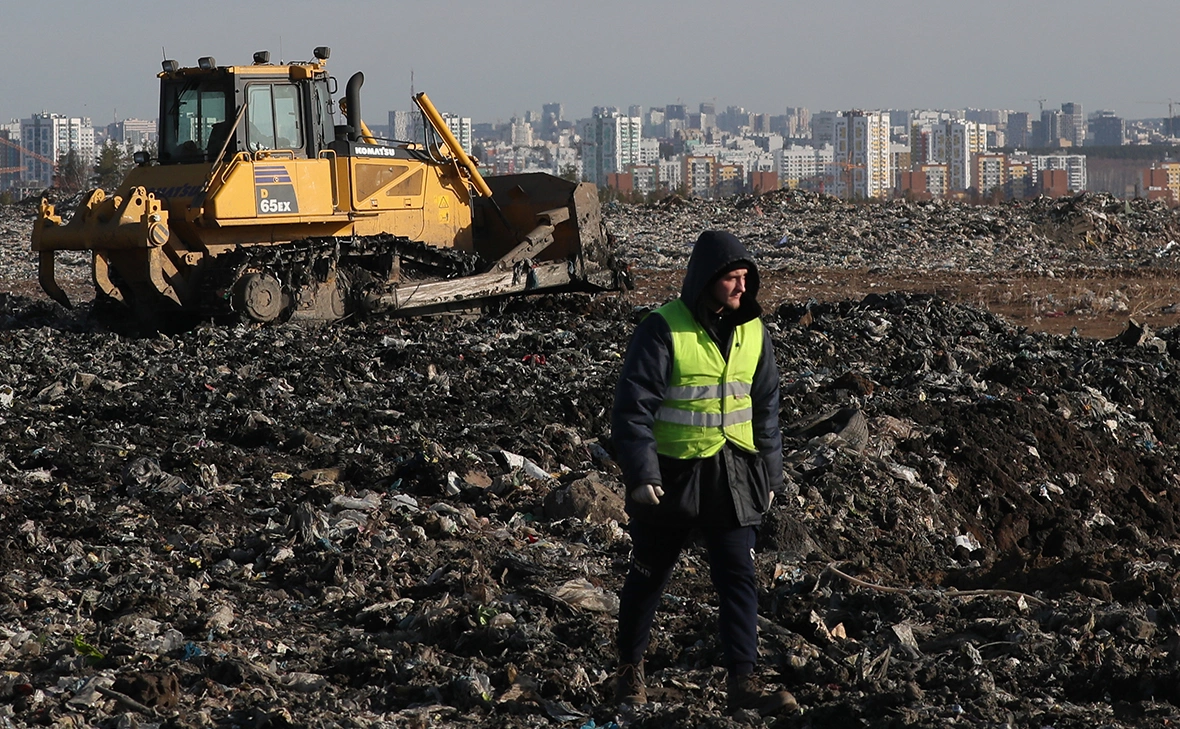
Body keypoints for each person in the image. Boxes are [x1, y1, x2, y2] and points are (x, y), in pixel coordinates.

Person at [611, 230, 796, 716]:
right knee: (649, 577)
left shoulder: (755, 330)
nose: (741, 288)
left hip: (734, 477)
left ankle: (743, 682)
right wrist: (641, 472)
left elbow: (766, 408)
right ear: (707, 280)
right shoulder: (662, 327)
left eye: (744, 280)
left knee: (738, 577)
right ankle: (629, 674)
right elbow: (633, 408)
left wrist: (771, 477)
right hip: (673, 479)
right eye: (732, 279)